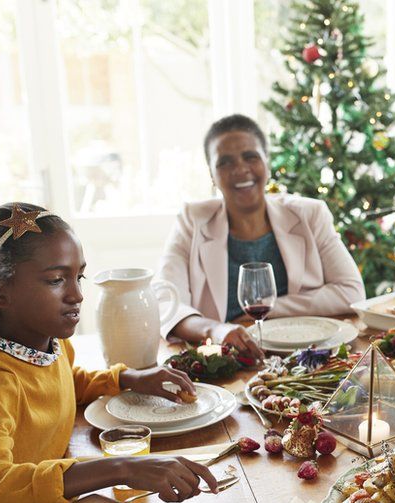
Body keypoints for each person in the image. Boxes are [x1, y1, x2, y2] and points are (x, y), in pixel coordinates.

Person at [0, 203, 219, 503]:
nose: (77, 295)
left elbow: (64, 382)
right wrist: (123, 468)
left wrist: (127, 379)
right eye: (55, 280)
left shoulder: (51, 347)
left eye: (77, 277)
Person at [156, 114, 365, 359]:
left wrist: (268, 309)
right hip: (226, 360)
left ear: (267, 163)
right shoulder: (193, 220)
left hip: (306, 355)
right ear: (212, 174)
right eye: (225, 162)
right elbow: (165, 303)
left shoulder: (310, 214)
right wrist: (217, 329)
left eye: (250, 157)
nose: (240, 169)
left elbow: (351, 292)